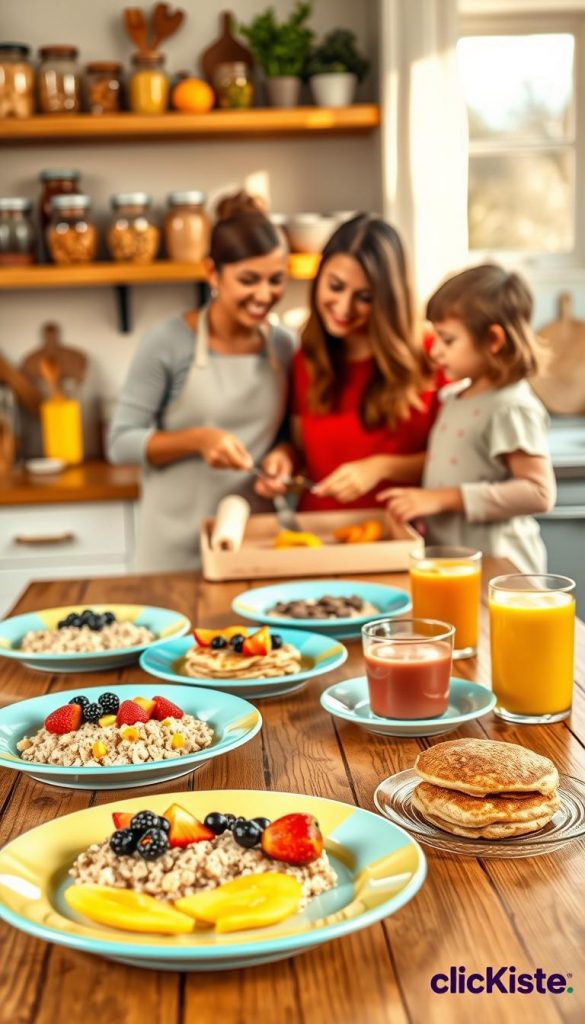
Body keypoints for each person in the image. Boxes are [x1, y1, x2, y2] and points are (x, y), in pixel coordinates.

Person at [108, 191, 294, 572]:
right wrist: (199, 439)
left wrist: (284, 458)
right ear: (212, 272)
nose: (264, 295)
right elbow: (120, 443)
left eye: (276, 280)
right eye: (248, 280)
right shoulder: (168, 342)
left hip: (252, 544)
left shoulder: (283, 345)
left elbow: (287, 435)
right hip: (172, 550)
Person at [381, 264, 556, 572]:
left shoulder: (509, 406)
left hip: (501, 573)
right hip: (457, 567)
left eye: (447, 340)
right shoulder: (456, 398)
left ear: (493, 340)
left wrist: (443, 499)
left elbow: (539, 492)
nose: (435, 351)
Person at [256, 214, 439, 509]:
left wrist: (381, 467)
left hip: (397, 536)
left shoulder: (432, 354)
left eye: (364, 297)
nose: (344, 307)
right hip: (318, 535)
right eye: (336, 286)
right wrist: (284, 461)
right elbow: (303, 452)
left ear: (388, 299)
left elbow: (458, 462)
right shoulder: (308, 357)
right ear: (319, 280)